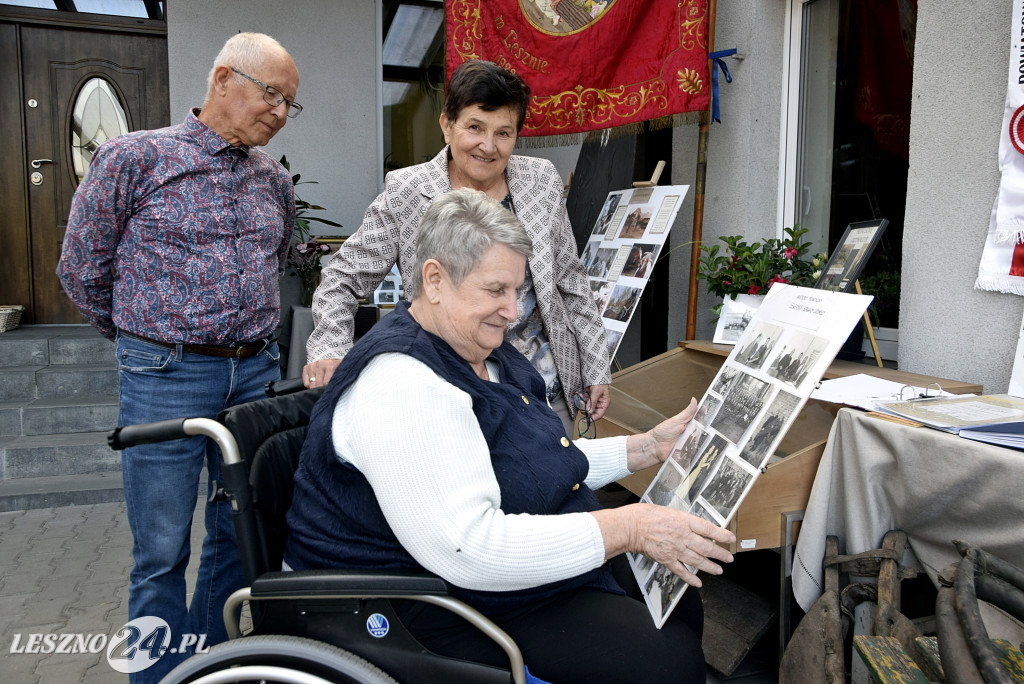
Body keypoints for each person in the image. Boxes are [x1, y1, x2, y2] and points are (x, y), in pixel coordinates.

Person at [285, 189, 735, 684]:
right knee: (665, 663)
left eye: (516, 291)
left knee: (677, 593)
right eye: (495, 290)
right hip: (420, 602)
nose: (513, 311)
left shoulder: (481, 350)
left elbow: (532, 459)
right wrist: (627, 528)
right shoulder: (403, 384)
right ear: (435, 280)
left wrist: (645, 447)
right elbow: (468, 547)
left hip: (499, 573)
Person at [56, 32, 300, 683]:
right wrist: (143, 339)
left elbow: (274, 268)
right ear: (223, 79)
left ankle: (204, 669)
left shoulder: (273, 180)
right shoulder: (136, 158)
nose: (279, 112)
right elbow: (82, 266)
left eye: (289, 105)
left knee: (234, 535)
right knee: (161, 549)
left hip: (253, 371)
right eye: (272, 95)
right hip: (164, 372)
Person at [304, 60, 612, 435]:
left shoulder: (540, 181)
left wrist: (596, 367)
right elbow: (342, 279)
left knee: (558, 484)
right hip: (447, 393)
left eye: (504, 133)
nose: (488, 146)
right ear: (447, 125)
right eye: (475, 128)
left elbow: (571, 282)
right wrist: (330, 349)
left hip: (543, 388)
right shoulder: (407, 191)